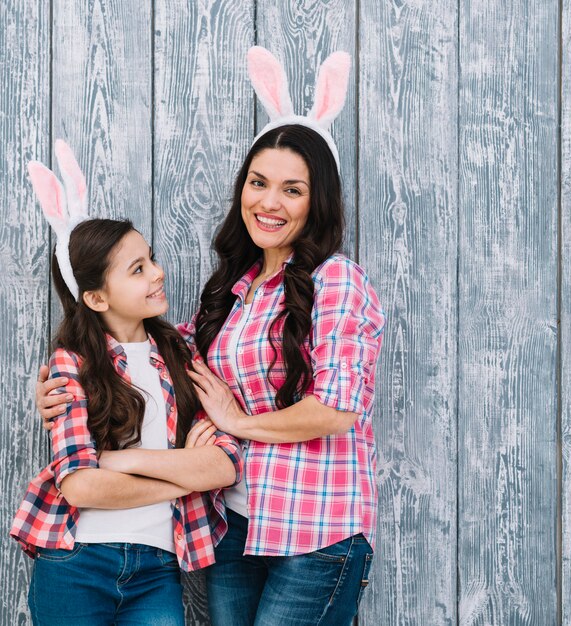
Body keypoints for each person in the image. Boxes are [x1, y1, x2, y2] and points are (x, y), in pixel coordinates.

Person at [36, 47, 385, 625]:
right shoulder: (234, 289)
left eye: (292, 190)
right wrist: (52, 385)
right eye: (258, 182)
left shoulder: (335, 279)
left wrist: (237, 425)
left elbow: (337, 409)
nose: (269, 202)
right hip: (235, 526)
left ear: (316, 199)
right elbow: (142, 351)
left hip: (315, 528)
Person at [13, 141, 242, 626]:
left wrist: (125, 462)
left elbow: (223, 468)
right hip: (78, 563)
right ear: (96, 298)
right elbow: (78, 487)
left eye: (151, 259)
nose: (158, 274)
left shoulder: (182, 353)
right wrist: (180, 474)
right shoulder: (71, 366)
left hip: (158, 571)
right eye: (138, 269)